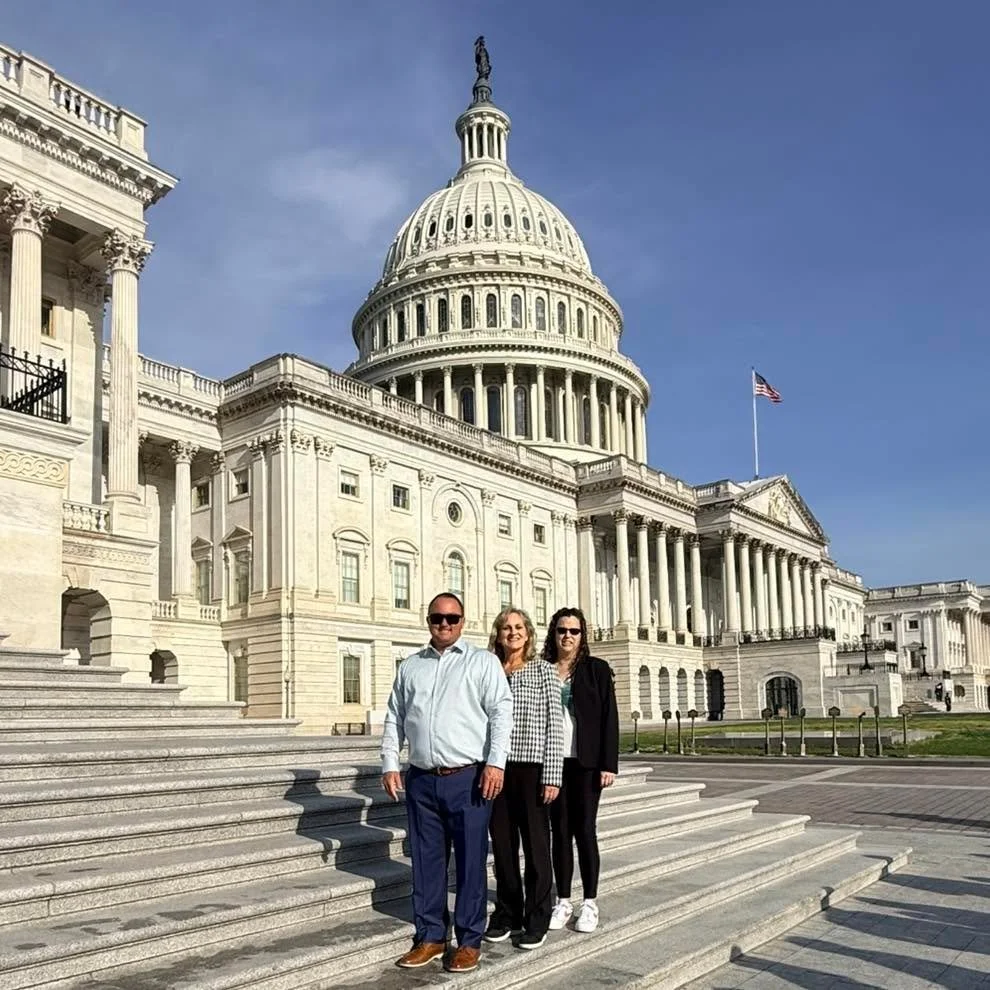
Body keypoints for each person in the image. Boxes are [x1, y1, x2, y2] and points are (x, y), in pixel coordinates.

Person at [381, 592, 513, 973]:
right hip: (422, 778)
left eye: (452, 618)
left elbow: (501, 714)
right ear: (428, 621)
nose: (444, 624)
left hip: (468, 778)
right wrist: (391, 762)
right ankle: (432, 936)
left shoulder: (483, 663)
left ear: (463, 621)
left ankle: (469, 939)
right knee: (425, 861)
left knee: (471, 861)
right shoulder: (410, 667)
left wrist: (495, 763)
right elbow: (395, 716)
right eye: (437, 618)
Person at [484, 607, 563, 949]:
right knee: (502, 847)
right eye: (506, 628)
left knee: (535, 847)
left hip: (532, 769)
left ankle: (537, 916)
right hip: (497, 768)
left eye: (519, 627)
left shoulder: (543, 671)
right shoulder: (489, 671)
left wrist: (553, 775)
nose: (512, 633)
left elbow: (555, 726)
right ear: (498, 635)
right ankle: (507, 912)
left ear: (528, 634)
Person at [543, 606, 619, 934]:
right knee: (559, 833)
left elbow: (609, 719)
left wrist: (608, 764)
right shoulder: (542, 669)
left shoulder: (597, 670)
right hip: (553, 762)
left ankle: (589, 901)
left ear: (582, 635)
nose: (567, 637)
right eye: (562, 630)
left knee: (585, 830)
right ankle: (563, 900)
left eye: (574, 631)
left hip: (587, 764)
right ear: (554, 633)